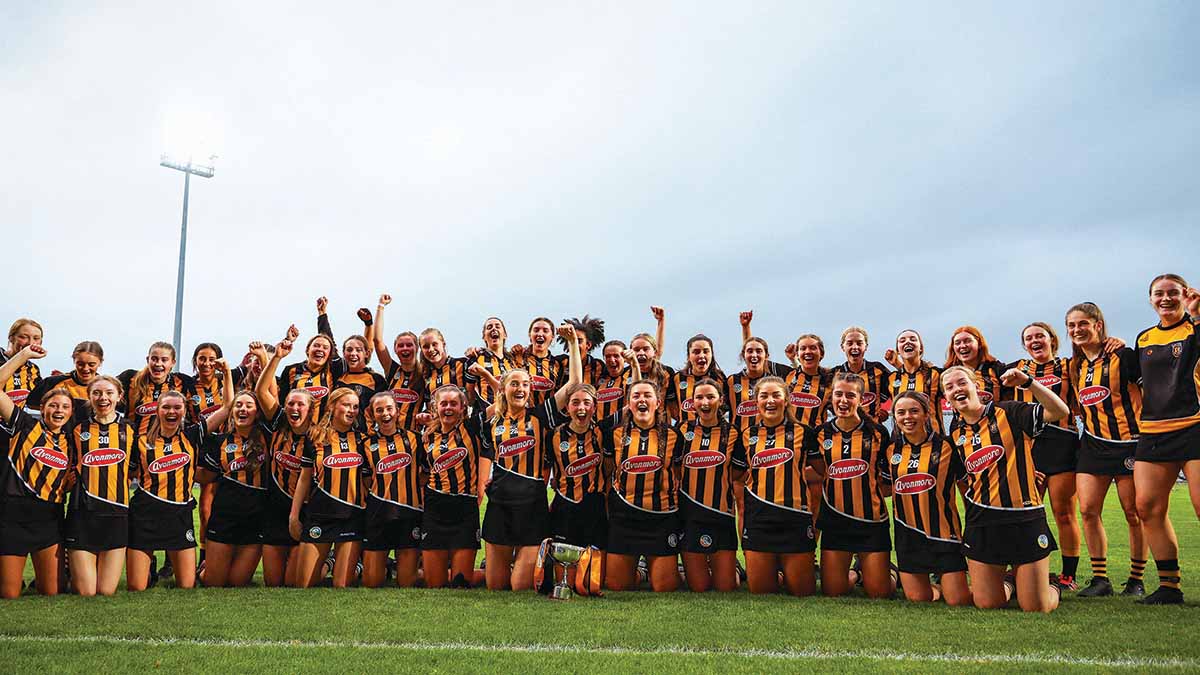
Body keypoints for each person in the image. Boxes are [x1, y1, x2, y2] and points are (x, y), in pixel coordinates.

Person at [942, 364, 1070, 612]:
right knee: (987, 603)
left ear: (976, 386)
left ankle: (1051, 586)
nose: (956, 389)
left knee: (1036, 607)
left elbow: (1059, 411)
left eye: (962, 382)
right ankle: (1012, 582)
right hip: (982, 520)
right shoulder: (956, 430)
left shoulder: (1009, 411)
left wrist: (1028, 382)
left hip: (1024, 516)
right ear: (946, 397)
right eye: (949, 387)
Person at [478, 325, 581, 590]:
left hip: (532, 507)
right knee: (495, 587)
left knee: (518, 587)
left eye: (525, 384)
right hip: (499, 505)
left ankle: (542, 570)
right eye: (514, 384)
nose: (520, 388)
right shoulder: (490, 421)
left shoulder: (540, 416)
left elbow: (573, 384)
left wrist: (571, 344)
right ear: (503, 388)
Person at [1066, 302, 1147, 598]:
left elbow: (1150, 390)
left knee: (1133, 512)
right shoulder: (1074, 366)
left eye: (1083, 324)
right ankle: (1100, 579)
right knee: (1087, 510)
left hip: (1130, 443)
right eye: (1072, 325)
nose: (1077, 330)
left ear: (1098, 325)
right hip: (1093, 444)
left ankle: (1136, 579)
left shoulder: (1123, 356)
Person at [1132, 274, 1200, 604]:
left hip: (1194, 426)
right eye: (1158, 293)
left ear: (1185, 295)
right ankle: (1169, 587)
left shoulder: (1194, 328)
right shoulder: (1144, 338)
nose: (1166, 298)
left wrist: (1197, 314)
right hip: (1154, 431)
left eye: (1173, 292)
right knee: (1147, 507)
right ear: (1150, 299)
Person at [126, 388, 228, 591]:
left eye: (177, 407)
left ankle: (197, 568)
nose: (171, 412)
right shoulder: (140, 440)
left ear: (184, 411)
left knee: (187, 585)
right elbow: (129, 474)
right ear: (157, 410)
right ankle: (149, 569)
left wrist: (225, 373)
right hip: (145, 513)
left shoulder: (192, 435)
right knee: (137, 587)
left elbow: (226, 409)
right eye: (166, 407)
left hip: (179, 514)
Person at [808, 372, 895, 599]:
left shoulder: (878, 433)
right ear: (831, 397)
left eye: (850, 395)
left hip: (872, 521)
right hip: (835, 520)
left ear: (861, 399)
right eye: (838, 394)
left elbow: (888, 479)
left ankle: (891, 573)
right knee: (833, 591)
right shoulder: (820, 434)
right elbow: (820, 471)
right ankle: (857, 573)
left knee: (879, 593)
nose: (843, 400)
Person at [733, 375, 822, 596]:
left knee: (802, 592)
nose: (770, 401)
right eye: (764, 396)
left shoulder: (804, 432)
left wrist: (794, 473)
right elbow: (736, 475)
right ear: (756, 402)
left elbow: (823, 471)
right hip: (759, 519)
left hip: (795, 518)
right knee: (761, 591)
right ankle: (776, 571)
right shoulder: (747, 435)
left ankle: (787, 570)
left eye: (776, 395)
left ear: (786, 400)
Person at [1011, 322, 1083, 590]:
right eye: (1028, 338)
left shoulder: (1069, 365)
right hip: (1029, 445)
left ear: (1052, 339)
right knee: (1024, 513)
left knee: (1064, 512)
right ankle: (1021, 571)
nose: (1034, 341)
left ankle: (1068, 576)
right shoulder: (1017, 368)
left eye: (1039, 336)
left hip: (1062, 443)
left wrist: (1115, 343)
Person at [886, 391, 971, 606]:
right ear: (895, 417)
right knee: (919, 600)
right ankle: (931, 585)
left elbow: (968, 485)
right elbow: (882, 486)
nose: (908, 417)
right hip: (908, 535)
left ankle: (1006, 582)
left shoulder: (948, 446)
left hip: (944, 535)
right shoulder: (890, 450)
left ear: (926, 414)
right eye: (901, 412)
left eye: (914, 411)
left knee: (958, 601)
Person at [0, 345, 70, 599]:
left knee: (52, 592)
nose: (59, 410)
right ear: (42, 408)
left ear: (71, 412)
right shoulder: (24, 424)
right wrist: (23, 356)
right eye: (53, 405)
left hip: (48, 518)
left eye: (65, 406)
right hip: (12, 515)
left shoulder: (72, 440)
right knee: (9, 594)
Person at [603, 380, 685, 592]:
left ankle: (661, 568)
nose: (642, 399)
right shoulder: (614, 434)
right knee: (617, 586)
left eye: (647, 395)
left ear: (658, 403)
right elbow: (608, 472)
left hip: (661, 518)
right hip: (625, 517)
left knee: (664, 588)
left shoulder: (674, 435)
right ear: (629, 403)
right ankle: (642, 570)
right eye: (636, 396)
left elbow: (678, 475)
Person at [196, 368, 272, 588]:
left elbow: (270, 395)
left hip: (256, 518)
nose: (243, 409)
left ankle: (215, 565)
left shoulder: (268, 436)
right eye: (238, 405)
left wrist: (268, 358)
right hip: (225, 516)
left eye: (249, 405)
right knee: (215, 583)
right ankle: (203, 569)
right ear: (231, 411)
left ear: (257, 412)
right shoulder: (219, 441)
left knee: (237, 582)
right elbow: (206, 477)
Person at [64, 375, 136, 597]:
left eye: (109, 393)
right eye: (96, 393)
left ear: (119, 396)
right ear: (89, 397)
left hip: (117, 514)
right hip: (82, 512)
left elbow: (136, 468)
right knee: (86, 592)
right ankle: (68, 572)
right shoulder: (76, 429)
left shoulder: (131, 429)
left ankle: (74, 570)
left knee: (105, 591)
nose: (103, 397)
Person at [289, 387, 367, 588]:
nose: (351, 410)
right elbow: (304, 479)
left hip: (351, 516)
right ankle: (330, 561)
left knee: (341, 585)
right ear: (332, 406)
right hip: (320, 515)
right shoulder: (314, 437)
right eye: (346, 405)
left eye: (355, 407)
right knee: (304, 584)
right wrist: (294, 516)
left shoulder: (363, 440)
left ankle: (355, 566)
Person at [254, 338, 314, 587]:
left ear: (310, 409)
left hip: (305, 510)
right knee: (273, 582)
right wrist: (276, 357)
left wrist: (295, 516)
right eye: (290, 403)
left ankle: (326, 561)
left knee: (293, 583)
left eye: (300, 404)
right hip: (275, 508)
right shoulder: (279, 422)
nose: (294, 408)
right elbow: (261, 391)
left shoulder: (317, 435)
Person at [678, 378, 741, 592]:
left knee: (726, 587)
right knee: (699, 587)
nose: (705, 402)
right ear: (692, 402)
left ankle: (736, 569)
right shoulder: (681, 430)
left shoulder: (733, 433)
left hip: (721, 515)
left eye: (710, 397)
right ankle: (683, 568)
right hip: (690, 515)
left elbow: (737, 474)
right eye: (699, 397)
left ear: (720, 400)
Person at [419, 384, 485, 588]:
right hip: (435, 506)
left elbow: (498, 406)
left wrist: (485, 377)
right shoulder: (427, 436)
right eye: (444, 404)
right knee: (434, 584)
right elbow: (423, 474)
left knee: (460, 583)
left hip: (464, 508)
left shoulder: (473, 427)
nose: (448, 408)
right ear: (435, 408)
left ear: (463, 408)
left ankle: (491, 572)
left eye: (453, 404)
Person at [360, 392, 424, 588]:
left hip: (409, 513)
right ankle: (387, 566)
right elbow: (366, 480)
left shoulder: (415, 439)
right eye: (379, 410)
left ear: (397, 411)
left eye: (389, 408)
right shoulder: (366, 444)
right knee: (371, 582)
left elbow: (425, 474)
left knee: (406, 583)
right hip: (378, 513)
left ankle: (424, 569)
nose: (385, 414)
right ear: (372, 415)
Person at [372, 294, 427, 431]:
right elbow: (377, 341)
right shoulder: (392, 369)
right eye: (401, 346)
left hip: (412, 436)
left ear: (417, 348)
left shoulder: (425, 372)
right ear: (395, 350)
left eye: (409, 345)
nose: (405, 348)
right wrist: (381, 306)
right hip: (387, 433)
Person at [120, 342, 198, 435]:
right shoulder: (130, 378)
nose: (158, 364)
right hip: (134, 441)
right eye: (154, 359)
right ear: (147, 360)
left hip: (170, 442)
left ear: (173, 363)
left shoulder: (183, 382)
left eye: (164, 360)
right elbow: (107, 390)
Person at [26, 341, 104, 420]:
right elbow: (31, 404)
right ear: (74, 361)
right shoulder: (52, 382)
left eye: (91, 364)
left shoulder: (106, 387)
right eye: (80, 364)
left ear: (100, 362)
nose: (85, 369)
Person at [884, 330, 943, 432]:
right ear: (898, 351)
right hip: (900, 440)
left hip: (934, 438)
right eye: (902, 340)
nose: (907, 342)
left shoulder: (936, 374)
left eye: (913, 339)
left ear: (921, 348)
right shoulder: (891, 378)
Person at [832, 327, 889, 423]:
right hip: (843, 428)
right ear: (842, 347)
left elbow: (898, 388)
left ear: (866, 346)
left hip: (872, 428)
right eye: (850, 343)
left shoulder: (877, 369)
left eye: (859, 343)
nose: (855, 347)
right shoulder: (834, 374)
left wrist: (884, 410)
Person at [668, 335, 728, 424]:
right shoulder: (678, 378)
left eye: (706, 351)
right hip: (685, 431)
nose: (701, 355)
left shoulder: (720, 378)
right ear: (689, 356)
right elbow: (672, 406)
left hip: (714, 429)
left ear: (711, 355)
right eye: (696, 352)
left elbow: (725, 406)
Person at [944, 326, 1007, 404]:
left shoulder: (997, 369)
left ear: (979, 344)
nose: (963, 346)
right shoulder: (947, 374)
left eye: (968, 341)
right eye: (957, 343)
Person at [1, 319, 42, 407]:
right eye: (24, 337)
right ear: (11, 338)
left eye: (36, 338)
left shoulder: (33, 370)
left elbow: (35, 402)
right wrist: (23, 355)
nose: (30, 343)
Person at [594, 340, 630, 420]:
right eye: (608, 356)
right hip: (599, 427)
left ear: (625, 358)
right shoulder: (598, 376)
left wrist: (634, 363)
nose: (612, 360)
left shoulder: (631, 374)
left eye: (616, 356)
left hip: (623, 426)